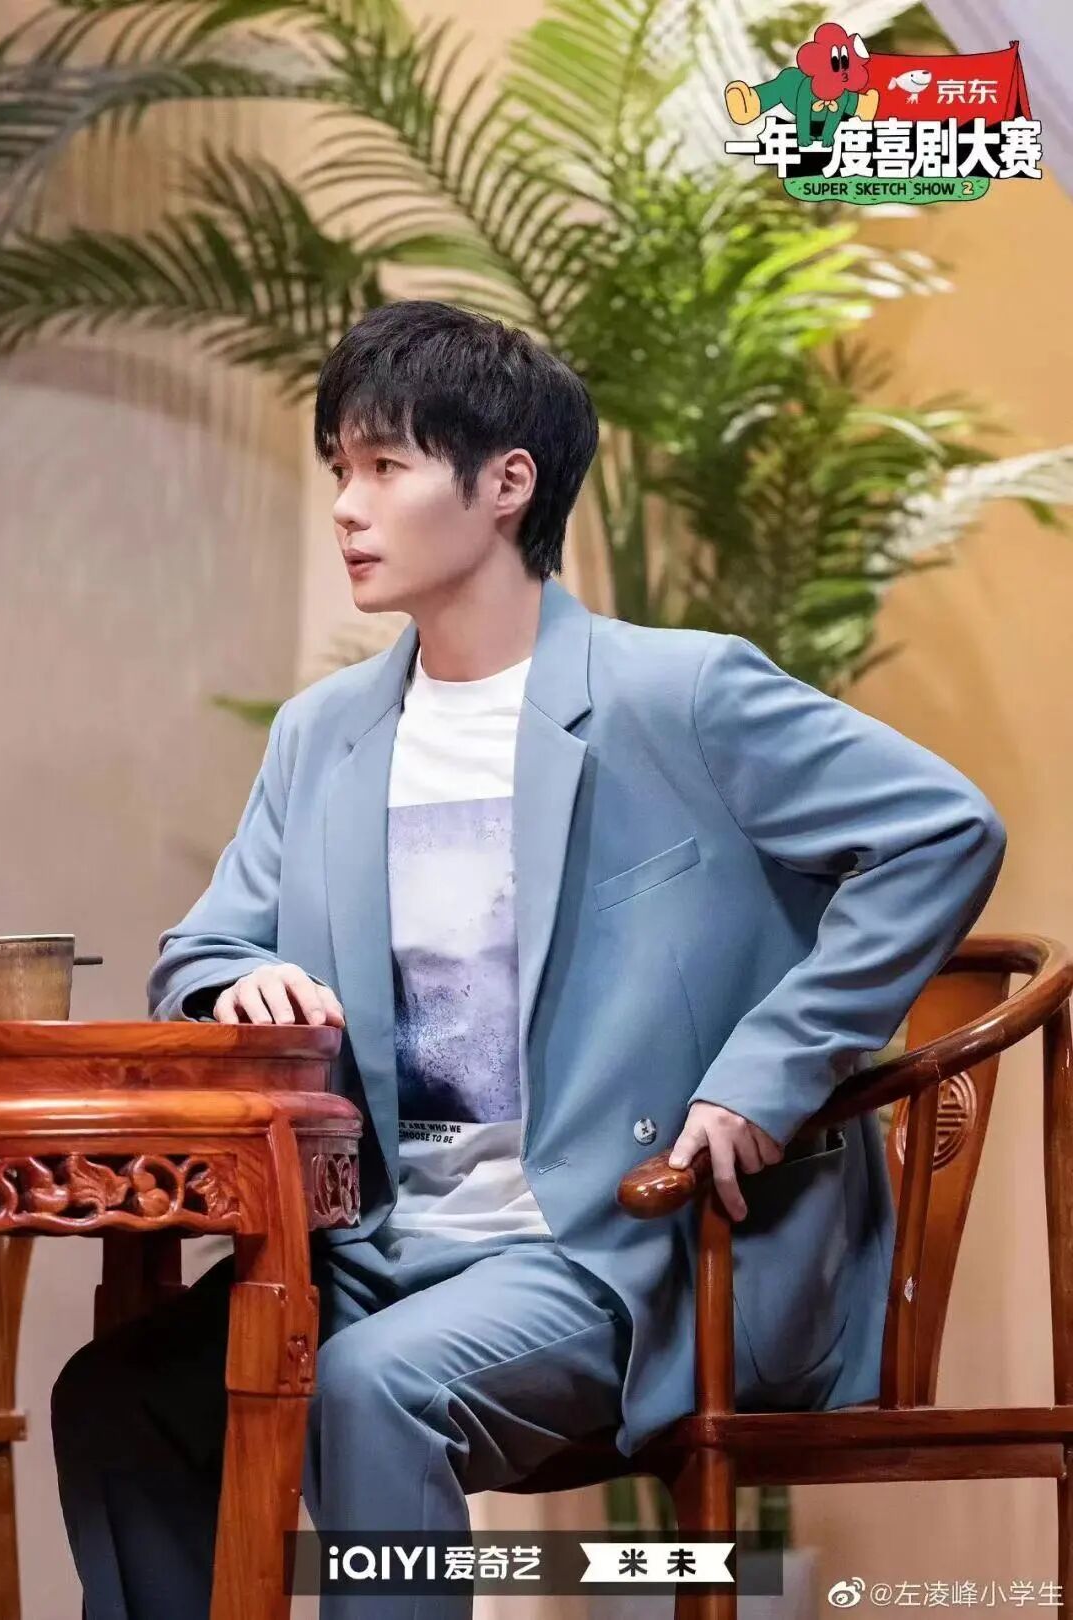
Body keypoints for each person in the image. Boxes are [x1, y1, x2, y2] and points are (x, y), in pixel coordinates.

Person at [50, 298, 1006, 1619]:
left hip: (630, 1251)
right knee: (119, 1398)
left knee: (372, 1389)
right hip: (378, 1246)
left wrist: (766, 1074)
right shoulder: (325, 732)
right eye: (339, 469)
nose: (347, 506)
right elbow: (207, 943)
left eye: (385, 465)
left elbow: (942, 830)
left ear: (507, 484)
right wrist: (232, 982)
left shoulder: (681, 694)